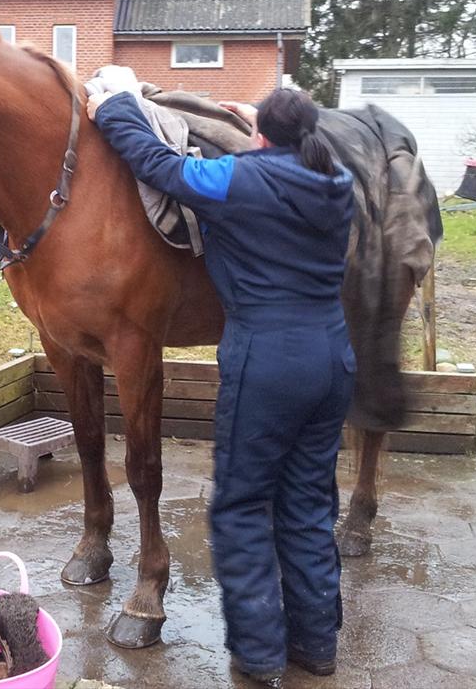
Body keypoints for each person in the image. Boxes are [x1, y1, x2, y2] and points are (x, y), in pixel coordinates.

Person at [85, 66, 356, 688]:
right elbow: (299, 147)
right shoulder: (335, 180)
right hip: (331, 358)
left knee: (241, 507)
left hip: (267, 362)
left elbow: (162, 165)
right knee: (309, 503)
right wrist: (262, 122)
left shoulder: (243, 180)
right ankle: (316, 648)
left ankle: (259, 658)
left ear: (260, 136)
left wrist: (118, 104)